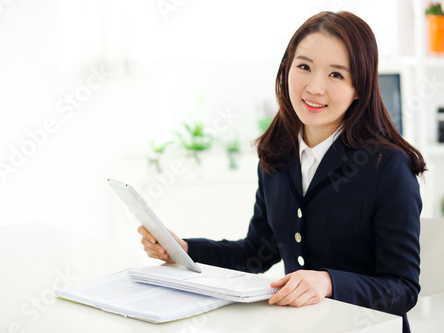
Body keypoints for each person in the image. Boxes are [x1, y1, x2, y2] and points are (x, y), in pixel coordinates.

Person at [138, 11, 425, 333]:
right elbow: (256, 253)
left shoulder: (387, 166)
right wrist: (185, 250)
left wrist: (329, 282)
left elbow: (402, 290)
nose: (315, 87)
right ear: (286, 70)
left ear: (360, 87)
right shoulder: (277, 154)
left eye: (336, 75)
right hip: (301, 326)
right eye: (304, 67)